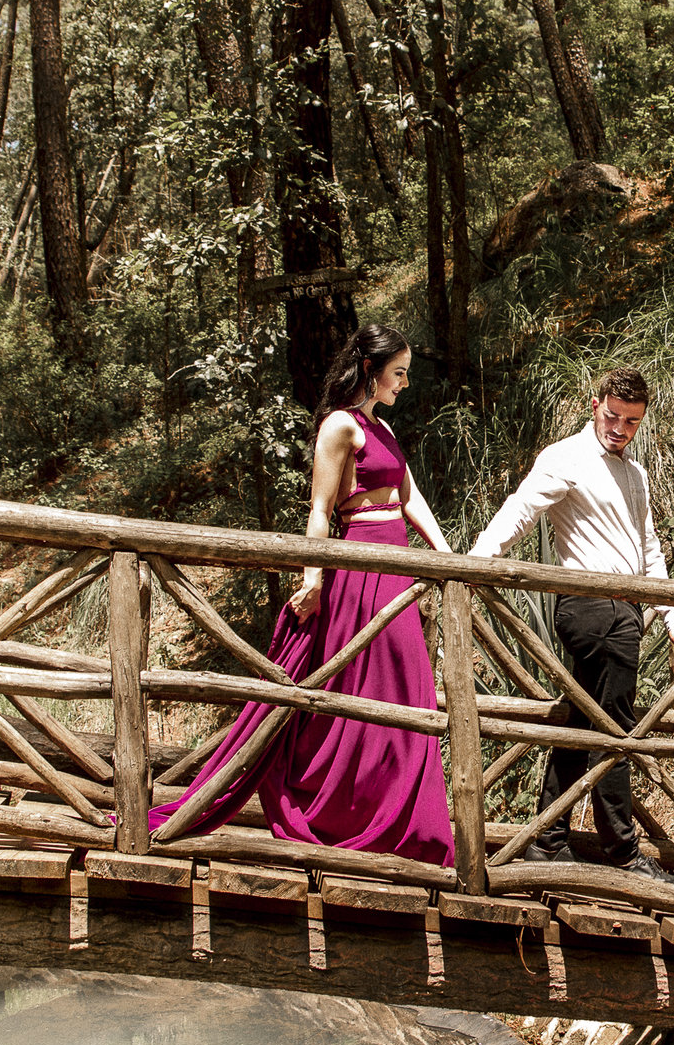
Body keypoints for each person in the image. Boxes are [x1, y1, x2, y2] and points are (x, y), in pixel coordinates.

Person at [148, 324, 456, 864]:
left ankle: (410, 827)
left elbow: (409, 496)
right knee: (361, 690)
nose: (406, 383)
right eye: (399, 373)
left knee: (407, 690)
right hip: (360, 565)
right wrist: (312, 578)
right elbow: (318, 509)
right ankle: (339, 812)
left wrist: (447, 555)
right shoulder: (340, 425)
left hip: (397, 564)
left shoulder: (381, 426)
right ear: (371, 370)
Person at [468, 367, 674, 884]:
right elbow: (521, 510)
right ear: (595, 405)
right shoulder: (566, 456)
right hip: (592, 608)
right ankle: (621, 850)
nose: (620, 428)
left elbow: (649, 549)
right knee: (616, 730)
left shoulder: (635, 474)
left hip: (627, 610)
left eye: (632, 422)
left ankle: (548, 840)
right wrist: (478, 560)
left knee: (581, 723)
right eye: (613, 416)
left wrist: (673, 617)